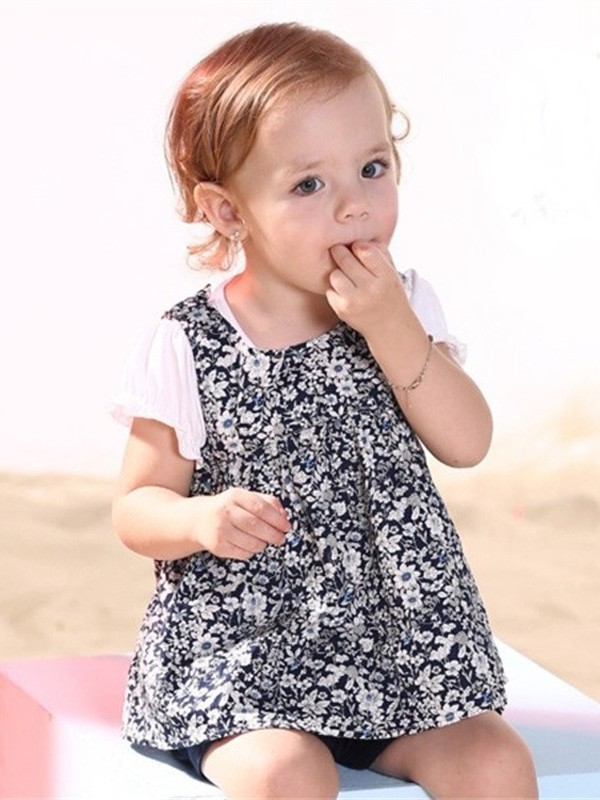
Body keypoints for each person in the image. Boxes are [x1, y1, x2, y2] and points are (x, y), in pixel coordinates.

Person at [111, 22, 538, 800]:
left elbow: (467, 441)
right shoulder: (190, 341)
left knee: (496, 761)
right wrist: (200, 519)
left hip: (393, 657)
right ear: (228, 211)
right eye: (308, 185)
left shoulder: (404, 306)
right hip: (244, 658)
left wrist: (391, 327)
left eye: (373, 168)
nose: (354, 207)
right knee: (288, 774)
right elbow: (136, 506)